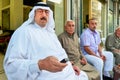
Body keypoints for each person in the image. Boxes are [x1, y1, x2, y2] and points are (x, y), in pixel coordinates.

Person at [3, 2, 88, 80]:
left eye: (46, 12)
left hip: (68, 73)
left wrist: (69, 65)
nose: (43, 14)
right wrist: (40, 64)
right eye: (40, 11)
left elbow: (61, 54)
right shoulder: (24, 32)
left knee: (84, 76)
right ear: (34, 14)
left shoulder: (51, 33)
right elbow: (11, 65)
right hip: (47, 77)